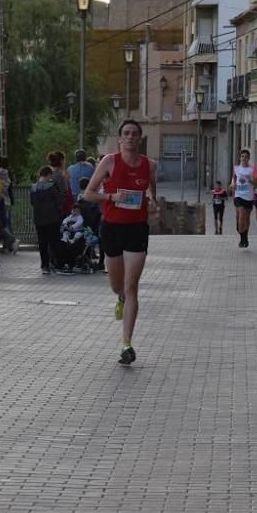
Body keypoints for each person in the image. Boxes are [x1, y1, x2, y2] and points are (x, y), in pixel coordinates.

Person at [82, 119, 157, 366]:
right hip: (112, 228)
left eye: (135, 134)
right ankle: (120, 298)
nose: (130, 137)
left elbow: (151, 193)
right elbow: (88, 194)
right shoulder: (109, 162)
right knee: (118, 286)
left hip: (137, 229)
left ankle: (127, 344)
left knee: (132, 285)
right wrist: (111, 196)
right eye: (126, 133)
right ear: (119, 139)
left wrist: (152, 202)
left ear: (140, 138)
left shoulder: (149, 165)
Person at [30, 165, 62, 274]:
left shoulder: (33, 187)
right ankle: (56, 263)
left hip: (38, 218)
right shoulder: (52, 186)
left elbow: (32, 203)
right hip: (52, 218)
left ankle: (44, 265)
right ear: (48, 174)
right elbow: (58, 202)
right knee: (53, 241)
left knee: (42, 242)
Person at [229, 148, 257, 249]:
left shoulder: (252, 169)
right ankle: (241, 235)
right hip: (238, 195)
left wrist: (249, 180)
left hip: (249, 197)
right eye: (242, 156)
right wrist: (232, 185)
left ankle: (244, 238)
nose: (244, 158)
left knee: (246, 218)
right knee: (240, 216)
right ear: (240, 158)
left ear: (249, 158)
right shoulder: (236, 168)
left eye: (246, 157)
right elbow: (233, 179)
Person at [48, 151, 73, 215]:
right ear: (61, 161)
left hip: (48, 207)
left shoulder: (47, 173)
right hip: (60, 209)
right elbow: (65, 192)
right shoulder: (60, 175)